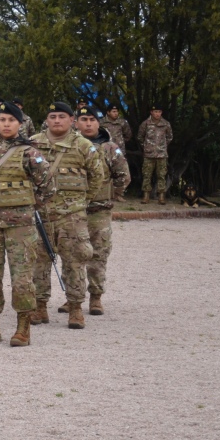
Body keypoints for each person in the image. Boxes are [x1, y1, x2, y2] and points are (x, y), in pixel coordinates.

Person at [0, 101, 53, 347]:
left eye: (11, 120)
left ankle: (23, 327)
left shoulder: (30, 153)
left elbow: (48, 187)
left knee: (22, 277)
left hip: (21, 226)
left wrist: (27, 205)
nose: (6, 124)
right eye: (2, 120)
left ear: (20, 123)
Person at [31, 102, 106, 329]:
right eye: (52, 116)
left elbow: (97, 176)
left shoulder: (83, 145)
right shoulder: (33, 144)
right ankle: (39, 306)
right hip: (40, 215)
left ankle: (75, 309)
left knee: (75, 262)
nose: (56, 120)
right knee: (38, 263)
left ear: (72, 120)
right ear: (46, 119)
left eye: (61, 116)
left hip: (71, 217)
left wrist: (81, 202)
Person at [75, 106, 130, 315]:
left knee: (98, 254)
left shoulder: (110, 148)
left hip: (99, 211)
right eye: (84, 119)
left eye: (92, 119)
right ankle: (73, 297)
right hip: (72, 211)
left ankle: (95, 297)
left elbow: (123, 176)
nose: (88, 123)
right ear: (76, 123)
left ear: (99, 122)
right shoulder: (70, 146)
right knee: (73, 256)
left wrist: (110, 194)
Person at [138, 106, 172, 204]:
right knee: (146, 175)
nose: (157, 114)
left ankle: (161, 197)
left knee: (161, 175)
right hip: (149, 154)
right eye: (155, 111)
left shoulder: (166, 124)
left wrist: (162, 146)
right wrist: (147, 146)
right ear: (151, 112)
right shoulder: (146, 123)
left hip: (161, 154)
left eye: (159, 112)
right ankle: (146, 196)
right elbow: (140, 137)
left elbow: (169, 137)